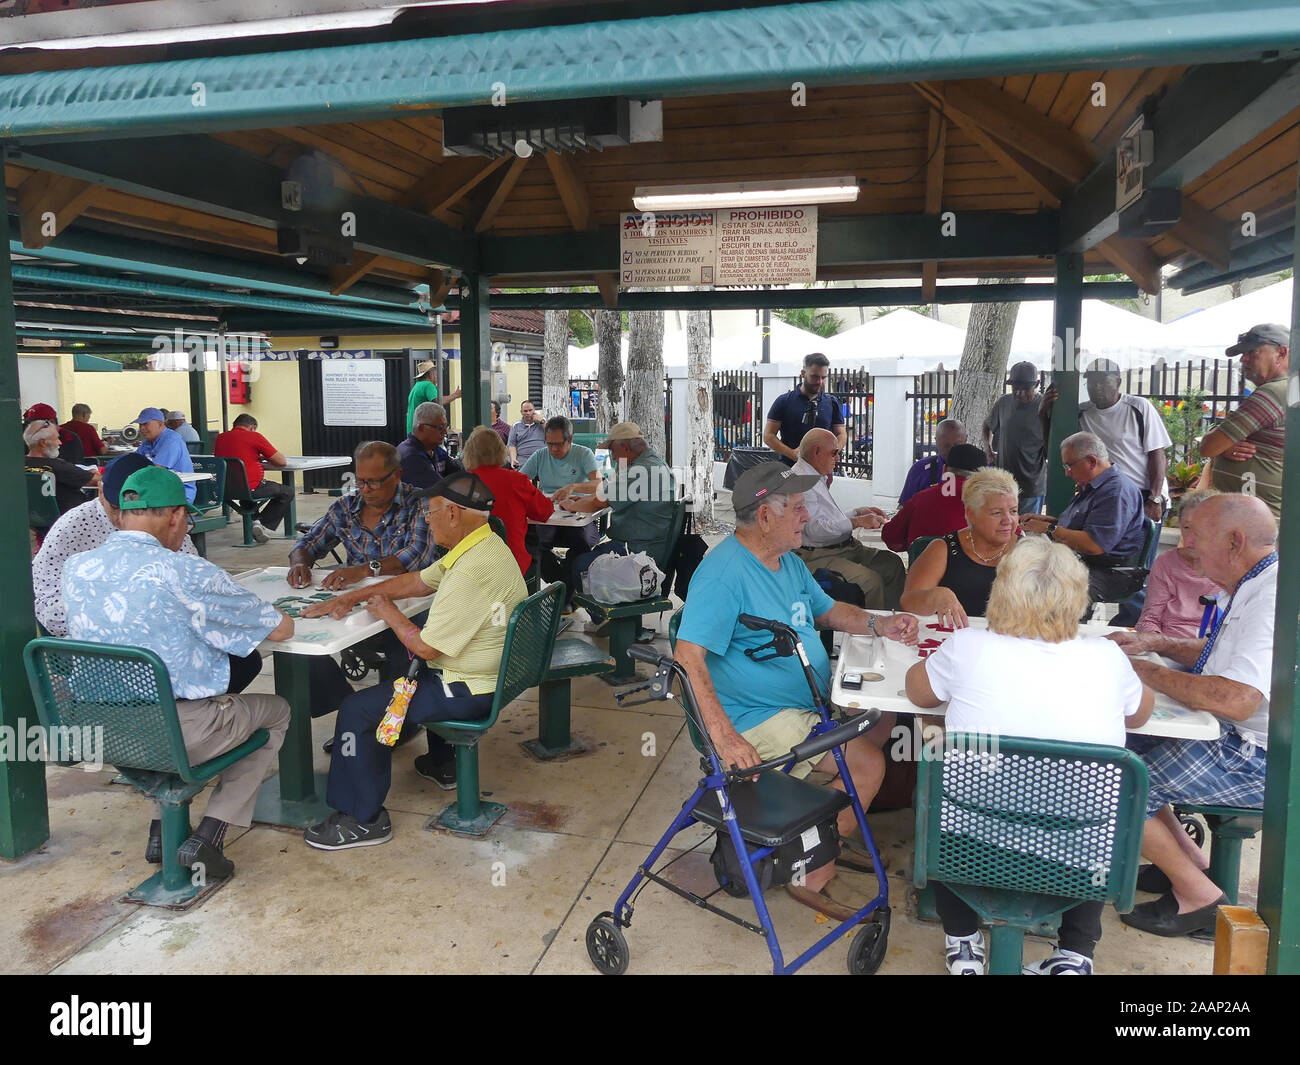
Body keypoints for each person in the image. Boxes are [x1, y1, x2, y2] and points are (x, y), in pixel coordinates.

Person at [676, 461, 919, 920]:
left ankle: (824, 834)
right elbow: (687, 659)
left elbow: (828, 611)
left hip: (802, 702)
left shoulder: (786, 561)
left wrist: (879, 623)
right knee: (867, 764)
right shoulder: (724, 573)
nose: (807, 516)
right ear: (765, 516)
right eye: (798, 507)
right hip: (756, 718)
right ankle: (812, 871)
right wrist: (726, 739)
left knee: (882, 718)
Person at [906, 537, 1154, 974]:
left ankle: (963, 941)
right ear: (1077, 598)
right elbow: (1141, 714)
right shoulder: (1107, 656)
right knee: (1091, 808)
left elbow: (917, 693)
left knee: (935, 795)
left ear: (1001, 591)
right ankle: (1076, 953)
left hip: (971, 854)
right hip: (1078, 864)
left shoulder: (967, 646)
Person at [63, 466, 293, 881]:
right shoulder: (186, 571)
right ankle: (210, 835)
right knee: (274, 711)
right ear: (174, 517)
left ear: (121, 513)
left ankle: (161, 827)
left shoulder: (76, 568)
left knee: (165, 701)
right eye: (186, 518)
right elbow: (280, 628)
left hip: (102, 733)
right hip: (175, 733)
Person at [302, 472, 527, 848]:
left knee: (357, 710)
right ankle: (436, 762)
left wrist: (388, 613)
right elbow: (418, 581)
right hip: (487, 675)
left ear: (453, 513)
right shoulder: (483, 545)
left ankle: (362, 818)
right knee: (392, 676)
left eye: (432, 512)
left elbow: (425, 648)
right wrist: (354, 598)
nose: (426, 519)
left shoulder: (473, 570)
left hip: (468, 689)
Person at [1107, 494, 1276, 937]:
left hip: (1261, 756)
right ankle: (1191, 865)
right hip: (1243, 737)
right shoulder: (1257, 581)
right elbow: (1229, 657)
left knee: (1110, 780)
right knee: (1122, 745)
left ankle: (1199, 898)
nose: (1185, 546)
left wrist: (1139, 670)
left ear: (1235, 541)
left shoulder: (1271, 596)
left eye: (1195, 535)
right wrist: (1158, 645)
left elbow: (1238, 698)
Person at [32, 454, 197, 636]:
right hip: (88, 642)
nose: (125, 520)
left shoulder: (164, 521)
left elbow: (194, 586)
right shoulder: (72, 527)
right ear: (100, 492)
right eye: (117, 508)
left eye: (138, 511)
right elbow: (47, 605)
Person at [288, 440, 436, 591]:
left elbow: (416, 557)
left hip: (410, 596)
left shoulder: (420, 504)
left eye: (373, 482)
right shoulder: (345, 507)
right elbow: (309, 543)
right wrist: (299, 564)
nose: (365, 489)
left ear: (397, 476)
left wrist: (363, 571)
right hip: (358, 594)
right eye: (360, 481)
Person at [1021, 432, 1147, 605]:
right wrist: (1048, 522)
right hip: (1083, 563)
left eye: (1069, 466)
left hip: (1107, 573)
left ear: (1092, 462)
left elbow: (1094, 545)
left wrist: (1049, 529)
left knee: (1040, 587)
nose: (1067, 473)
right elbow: (1082, 526)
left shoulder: (1115, 492)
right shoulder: (1094, 485)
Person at [560, 422, 677, 602]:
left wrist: (569, 505)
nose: (613, 458)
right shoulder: (651, 462)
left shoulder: (639, 471)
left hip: (637, 551)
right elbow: (606, 489)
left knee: (579, 564)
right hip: (650, 544)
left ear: (624, 447)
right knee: (577, 553)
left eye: (613, 452)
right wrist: (579, 498)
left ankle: (604, 616)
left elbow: (597, 503)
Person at [1044, 359, 1171, 522]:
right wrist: (1043, 415)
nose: (1096, 387)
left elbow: (1157, 454)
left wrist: (1154, 499)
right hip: (1111, 497)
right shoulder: (1082, 413)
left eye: (1102, 381)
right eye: (1091, 382)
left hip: (1143, 495)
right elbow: (1055, 451)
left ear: (1118, 383)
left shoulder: (1138, 408)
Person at [790, 428, 902, 609]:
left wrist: (857, 512)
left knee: (892, 565)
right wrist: (856, 522)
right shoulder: (801, 480)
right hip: (817, 554)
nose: (838, 458)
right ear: (816, 452)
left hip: (839, 547)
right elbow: (814, 530)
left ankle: (896, 621)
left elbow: (826, 516)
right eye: (834, 453)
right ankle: (872, 630)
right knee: (870, 582)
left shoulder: (812, 475)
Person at [900, 467, 1021, 625]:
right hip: (953, 640)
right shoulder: (943, 549)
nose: (1008, 520)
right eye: (996, 513)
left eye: (1013, 511)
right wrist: (935, 596)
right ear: (971, 515)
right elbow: (908, 602)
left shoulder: (1027, 552)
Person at [1200, 323, 1289, 522]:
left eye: (1252, 352)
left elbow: (1208, 447)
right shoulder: (1288, 390)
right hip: (1255, 517)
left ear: (1281, 352)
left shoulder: (1273, 393)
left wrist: (1220, 447)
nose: (1243, 359)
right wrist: (1223, 447)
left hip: (1255, 522)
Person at [460, 425, 553, 575]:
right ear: (500, 451)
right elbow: (545, 511)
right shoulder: (516, 480)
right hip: (511, 565)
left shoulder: (459, 484)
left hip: (469, 566)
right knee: (537, 544)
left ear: (468, 452)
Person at [521, 414, 602, 582]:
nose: (553, 450)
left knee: (581, 543)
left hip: (579, 515)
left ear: (570, 440)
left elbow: (598, 484)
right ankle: (563, 586)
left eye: (558, 444)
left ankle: (566, 589)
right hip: (549, 516)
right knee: (532, 544)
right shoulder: (540, 455)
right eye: (549, 444)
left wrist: (574, 487)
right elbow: (519, 481)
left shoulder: (583, 454)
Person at [1136, 490, 1222, 640]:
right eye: (1187, 528)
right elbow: (1149, 619)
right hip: (1168, 646)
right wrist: (1156, 644)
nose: (1190, 538)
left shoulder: (1231, 568)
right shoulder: (1166, 563)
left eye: (1201, 529)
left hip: (1215, 649)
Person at [881, 443, 988, 553]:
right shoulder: (995, 506)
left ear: (944, 470)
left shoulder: (920, 499)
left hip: (923, 568)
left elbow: (890, 536)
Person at [214, 413, 292, 542]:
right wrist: (265, 456)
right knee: (287, 491)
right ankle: (261, 523)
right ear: (252, 427)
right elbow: (281, 461)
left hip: (225, 489)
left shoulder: (220, 437)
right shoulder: (254, 436)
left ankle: (255, 522)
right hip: (251, 488)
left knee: (246, 496)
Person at [982, 362, 1049, 514]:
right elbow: (987, 425)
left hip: (1031, 486)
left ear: (1037, 384)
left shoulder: (1044, 406)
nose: (1019, 394)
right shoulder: (1003, 402)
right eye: (1015, 389)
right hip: (1003, 484)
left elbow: (1048, 451)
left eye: (1025, 389)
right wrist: (988, 449)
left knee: (1027, 533)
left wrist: (1044, 415)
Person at [763, 352, 846, 466]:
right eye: (815, 377)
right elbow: (768, 436)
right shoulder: (784, 401)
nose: (820, 382)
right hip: (790, 469)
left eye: (823, 377)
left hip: (822, 472)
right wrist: (792, 454)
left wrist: (833, 452)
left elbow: (841, 434)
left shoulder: (832, 403)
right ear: (803, 373)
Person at [25, 421, 99, 515]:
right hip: (73, 520)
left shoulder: (17, 465)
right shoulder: (58, 467)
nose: (60, 443)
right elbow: (98, 481)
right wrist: (94, 473)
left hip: (36, 519)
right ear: (43, 443)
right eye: (56, 439)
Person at [133, 407, 196, 503]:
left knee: (130, 505)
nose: (141, 428)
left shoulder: (171, 440)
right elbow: (132, 462)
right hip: (156, 490)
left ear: (160, 423)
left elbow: (157, 470)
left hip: (178, 493)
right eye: (140, 424)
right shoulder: (147, 442)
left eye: (145, 424)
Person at [900, 418, 968, 506]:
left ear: (966, 439)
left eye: (957, 445)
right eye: (946, 445)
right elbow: (904, 509)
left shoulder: (982, 470)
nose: (952, 450)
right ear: (936, 441)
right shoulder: (920, 469)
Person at [397, 401, 462, 490]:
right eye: (440, 428)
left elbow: (460, 474)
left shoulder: (436, 450)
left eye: (445, 427)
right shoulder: (411, 456)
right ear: (421, 428)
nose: (445, 432)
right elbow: (440, 491)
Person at [406, 360, 461, 434]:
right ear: (430, 374)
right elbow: (438, 401)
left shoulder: (417, 386)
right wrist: (455, 395)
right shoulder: (428, 385)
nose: (437, 376)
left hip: (413, 429)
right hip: (422, 431)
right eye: (435, 373)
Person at [506, 399, 545, 467]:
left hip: (541, 460)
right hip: (523, 461)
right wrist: (513, 459)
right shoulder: (516, 426)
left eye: (530, 410)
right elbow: (512, 445)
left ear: (534, 410)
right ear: (521, 412)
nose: (528, 413)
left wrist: (542, 421)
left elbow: (553, 433)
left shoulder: (542, 424)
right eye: (525, 411)